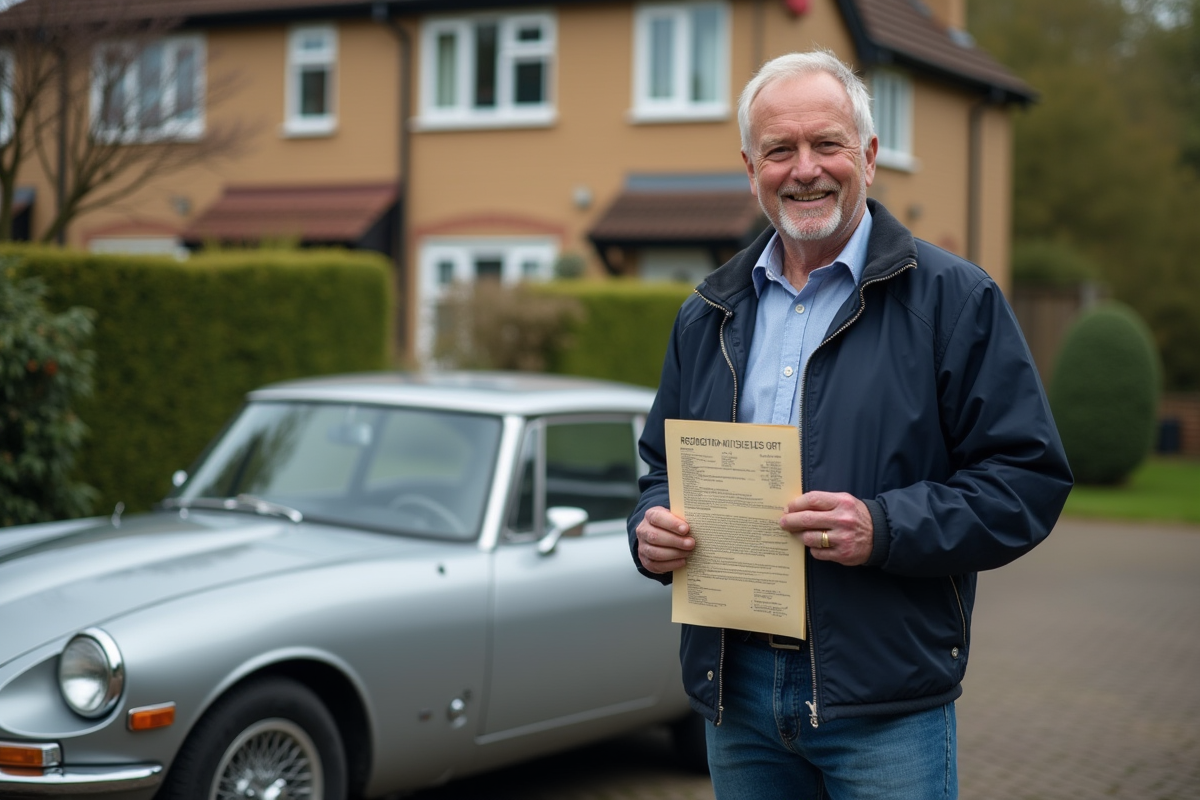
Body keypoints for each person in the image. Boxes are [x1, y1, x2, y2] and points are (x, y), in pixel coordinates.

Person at [628, 49, 1072, 800]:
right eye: (780, 150)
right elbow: (658, 469)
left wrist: (884, 526)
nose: (805, 169)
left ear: (867, 155)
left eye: (826, 144)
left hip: (882, 697)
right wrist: (649, 530)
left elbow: (1026, 481)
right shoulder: (706, 313)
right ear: (751, 168)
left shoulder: (954, 301)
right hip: (737, 693)